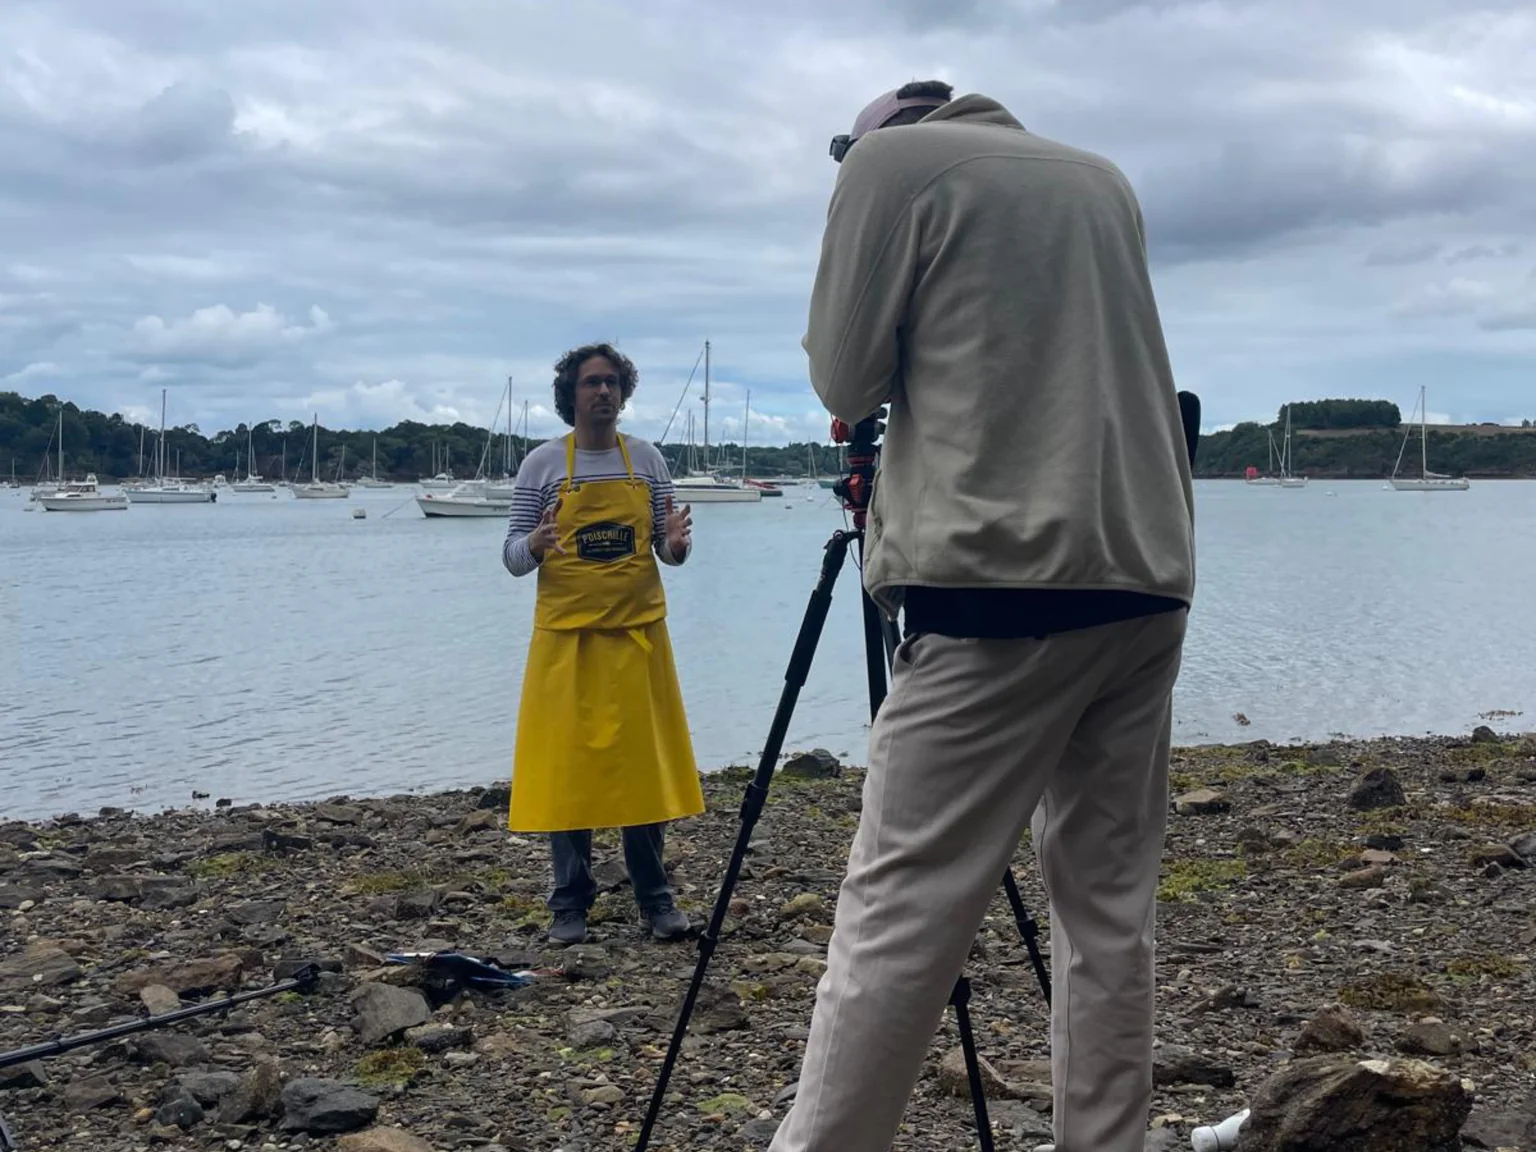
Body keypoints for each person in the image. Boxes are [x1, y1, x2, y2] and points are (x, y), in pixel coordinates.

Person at [770, 82, 1197, 1152]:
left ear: (886, 131)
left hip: (997, 579)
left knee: (898, 913)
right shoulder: (1101, 178)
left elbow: (843, 370)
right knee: (1108, 914)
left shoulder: (889, 168)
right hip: (1146, 568)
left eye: (840, 154)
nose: (840, 172)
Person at [501, 342, 703, 946]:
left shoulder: (647, 461)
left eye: (613, 382)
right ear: (571, 394)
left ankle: (656, 899)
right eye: (592, 383)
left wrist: (676, 545)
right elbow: (511, 557)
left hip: (638, 637)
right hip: (566, 644)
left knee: (643, 774)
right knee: (567, 776)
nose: (604, 392)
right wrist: (536, 544)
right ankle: (569, 904)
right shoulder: (540, 467)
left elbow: (668, 552)